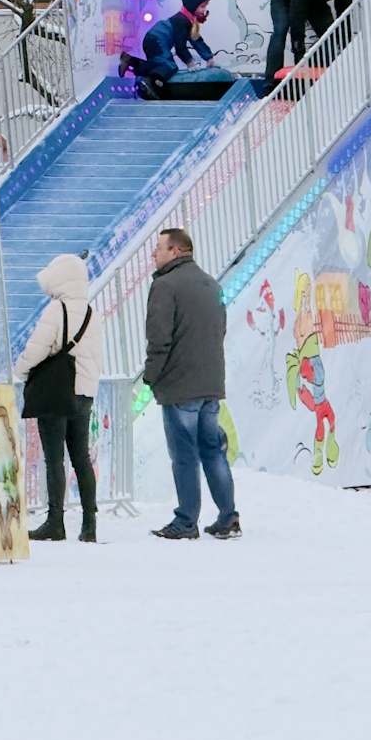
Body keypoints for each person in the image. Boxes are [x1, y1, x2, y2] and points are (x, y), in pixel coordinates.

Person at [141, 227, 239, 540]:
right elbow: (220, 329)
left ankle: (186, 521)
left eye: (158, 248)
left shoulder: (166, 286)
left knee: (184, 456)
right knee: (213, 451)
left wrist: (151, 375)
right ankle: (228, 516)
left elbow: (159, 338)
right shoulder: (211, 284)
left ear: (176, 251)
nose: (153, 254)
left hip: (180, 385)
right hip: (210, 384)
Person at [12, 254, 103, 543]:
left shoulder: (56, 310)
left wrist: (21, 369)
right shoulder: (92, 313)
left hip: (57, 391)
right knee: (81, 457)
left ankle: (55, 521)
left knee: (54, 459)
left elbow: (38, 348)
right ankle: (89, 524)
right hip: (84, 392)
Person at [265, 0, 353, 82]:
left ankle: (325, 78)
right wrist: (299, 56)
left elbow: (344, 13)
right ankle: (271, 82)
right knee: (280, 30)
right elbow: (297, 18)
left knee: (329, 33)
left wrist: (347, 46)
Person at [138, 0, 215, 97]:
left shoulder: (188, 21)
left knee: (160, 63)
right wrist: (190, 62)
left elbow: (196, 40)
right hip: (156, 40)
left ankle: (134, 63)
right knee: (169, 66)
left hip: (156, 40)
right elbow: (180, 47)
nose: (204, 10)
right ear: (193, 6)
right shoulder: (181, 21)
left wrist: (208, 57)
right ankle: (150, 82)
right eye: (202, 7)